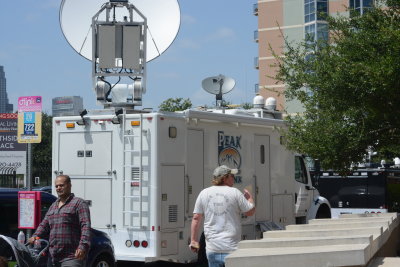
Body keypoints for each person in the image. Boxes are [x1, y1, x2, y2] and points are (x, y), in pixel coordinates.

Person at [189, 165, 255, 267]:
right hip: (232, 249)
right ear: (224, 178)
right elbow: (250, 212)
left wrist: (193, 240)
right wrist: (250, 199)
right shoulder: (235, 193)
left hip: (212, 249)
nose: (234, 178)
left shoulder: (204, 193)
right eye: (231, 176)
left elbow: (196, 218)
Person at [29, 175, 91, 267]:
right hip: (53, 257)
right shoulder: (53, 206)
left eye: (61, 185)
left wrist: (83, 246)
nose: (58, 188)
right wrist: (35, 236)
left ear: (69, 185)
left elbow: (85, 226)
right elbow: (44, 225)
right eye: (56, 186)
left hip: (72, 257)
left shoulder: (79, 203)